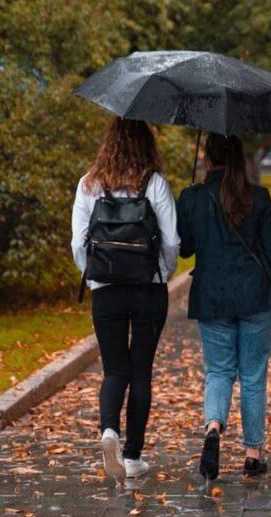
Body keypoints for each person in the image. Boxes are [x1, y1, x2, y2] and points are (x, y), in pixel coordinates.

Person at [176, 134, 271, 480]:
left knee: (218, 371)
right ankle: (252, 452)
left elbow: (184, 249)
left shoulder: (193, 197)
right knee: (252, 374)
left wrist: (188, 207)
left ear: (208, 159)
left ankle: (214, 428)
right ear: (240, 161)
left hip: (212, 297)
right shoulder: (258, 198)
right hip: (254, 296)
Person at [70, 117, 180, 483]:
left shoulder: (89, 184)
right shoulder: (155, 184)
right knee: (141, 370)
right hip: (149, 288)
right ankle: (132, 457)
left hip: (106, 291)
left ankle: (108, 432)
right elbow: (170, 242)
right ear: (147, 144)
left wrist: (95, 276)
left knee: (114, 369)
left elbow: (76, 243)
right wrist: (164, 271)